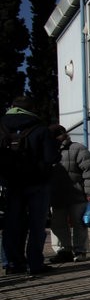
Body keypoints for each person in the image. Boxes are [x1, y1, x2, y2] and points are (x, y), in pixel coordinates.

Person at [0, 96, 59, 275]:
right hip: (37, 183)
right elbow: (51, 158)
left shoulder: (2, 127)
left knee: (12, 224)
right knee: (36, 225)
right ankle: (35, 264)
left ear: (12, 107)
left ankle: (12, 264)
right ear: (32, 109)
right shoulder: (40, 128)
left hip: (11, 183)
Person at [48, 125, 90, 263]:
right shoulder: (49, 151)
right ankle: (64, 251)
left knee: (79, 224)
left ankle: (80, 250)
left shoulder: (77, 149)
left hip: (77, 195)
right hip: (57, 196)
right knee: (58, 224)